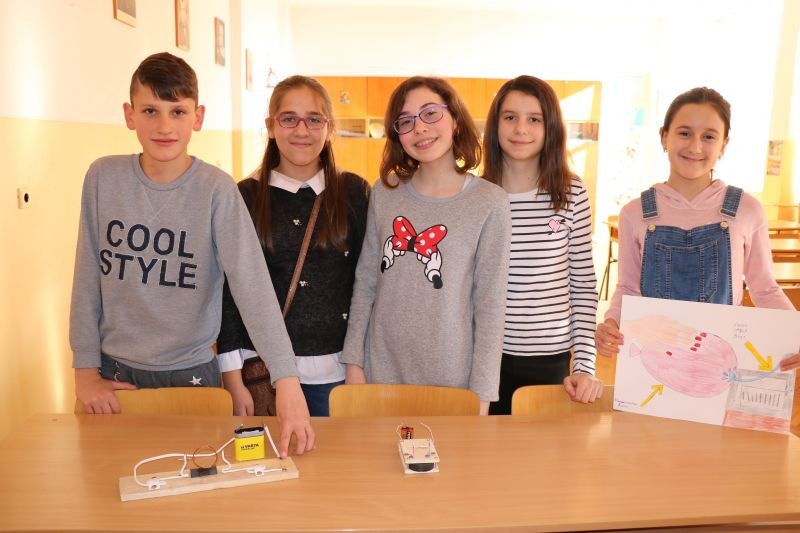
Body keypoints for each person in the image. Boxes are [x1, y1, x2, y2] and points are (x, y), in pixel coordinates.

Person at [69, 52, 314, 457]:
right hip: (115, 376)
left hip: (192, 376)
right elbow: (86, 279)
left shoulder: (216, 190)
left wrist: (286, 379)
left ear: (197, 118)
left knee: (192, 487)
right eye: (151, 110)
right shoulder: (102, 178)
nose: (164, 126)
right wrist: (84, 371)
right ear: (130, 115)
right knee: (111, 482)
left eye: (178, 112)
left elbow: (253, 288)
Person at [596, 86, 800, 373]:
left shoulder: (748, 210)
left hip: (721, 364)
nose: (695, 147)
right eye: (684, 133)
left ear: (724, 145)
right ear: (664, 136)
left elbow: (764, 289)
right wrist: (611, 322)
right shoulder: (634, 213)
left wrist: (795, 332)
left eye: (709, 136)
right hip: (653, 366)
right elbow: (628, 288)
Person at [341, 76, 511, 415]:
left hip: (453, 380)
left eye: (430, 113)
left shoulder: (490, 201)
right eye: (405, 121)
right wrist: (353, 361)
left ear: (455, 119)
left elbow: (490, 306)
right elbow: (366, 282)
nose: (419, 127)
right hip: (380, 371)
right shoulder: (385, 192)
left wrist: (482, 396)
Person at [217, 76, 370, 416]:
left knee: (337, 452)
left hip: (337, 372)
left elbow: (366, 284)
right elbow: (230, 290)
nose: (302, 130)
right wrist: (232, 377)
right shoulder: (245, 195)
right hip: (261, 370)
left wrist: (357, 363)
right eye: (289, 118)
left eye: (314, 119)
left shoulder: (354, 192)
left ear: (329, 128)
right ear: (271, 126)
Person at [481, 75, 603, 414]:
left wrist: (585, 365)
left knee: (545, 448)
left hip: (551, 359)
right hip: (487, 357)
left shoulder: (571, 192)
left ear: (550, 127)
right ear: (495, 125)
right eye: (510, 117)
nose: (521, 128)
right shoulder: (478, 195)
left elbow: (582, 284)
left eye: (534, 119)